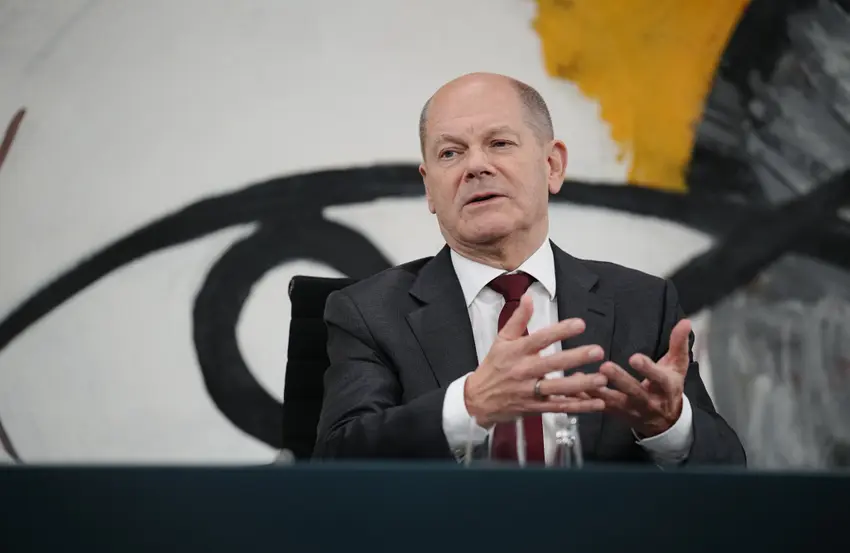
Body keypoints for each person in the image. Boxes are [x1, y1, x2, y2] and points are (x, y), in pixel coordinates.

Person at [313, 72, 746, 466]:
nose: (475, 166)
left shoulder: (644, 304)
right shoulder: (368, 312)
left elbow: (728, 472)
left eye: (500, 143)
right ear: (429, 187)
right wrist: (469, 405)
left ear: (552, 165)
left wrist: (669, 426)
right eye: (450, 153)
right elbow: (336, 460)